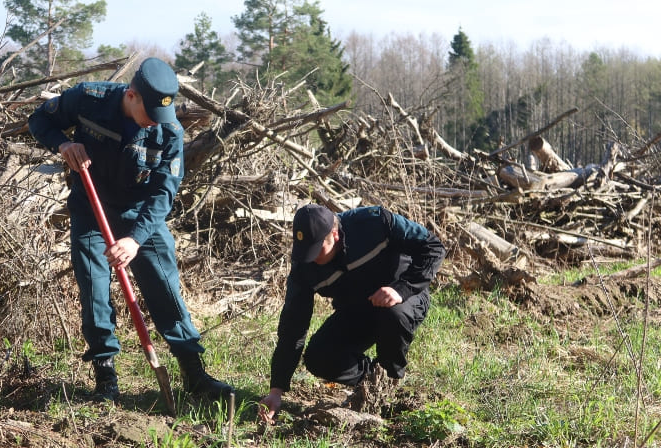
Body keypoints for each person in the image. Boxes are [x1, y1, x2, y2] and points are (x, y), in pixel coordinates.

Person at [28, 57, 233, 402]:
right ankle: (105, 378)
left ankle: (194, 374)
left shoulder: (169, 131)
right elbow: (39, 120)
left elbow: (164, 192)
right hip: (92, 210)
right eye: (150, 112)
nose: (156, 122)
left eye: (161, 115)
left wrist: (135, 239)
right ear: (133, 95)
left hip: (141, 217)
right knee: (94, 289)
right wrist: (63, 145)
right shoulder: (88, 99)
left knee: (165, 289)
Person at [258, 204, 445, 421]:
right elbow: (293, 327)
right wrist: (276, 389)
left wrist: (401, 289)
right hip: (357, 311)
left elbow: (432, 246)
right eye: (307, 249)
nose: (312, 257)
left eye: (319, 248)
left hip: (404, 297)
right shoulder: (304, 267)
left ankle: (392, 380)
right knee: (319, 356)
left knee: (393, 314)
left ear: (335, 235)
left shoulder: (374, 222)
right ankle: (373, 381)